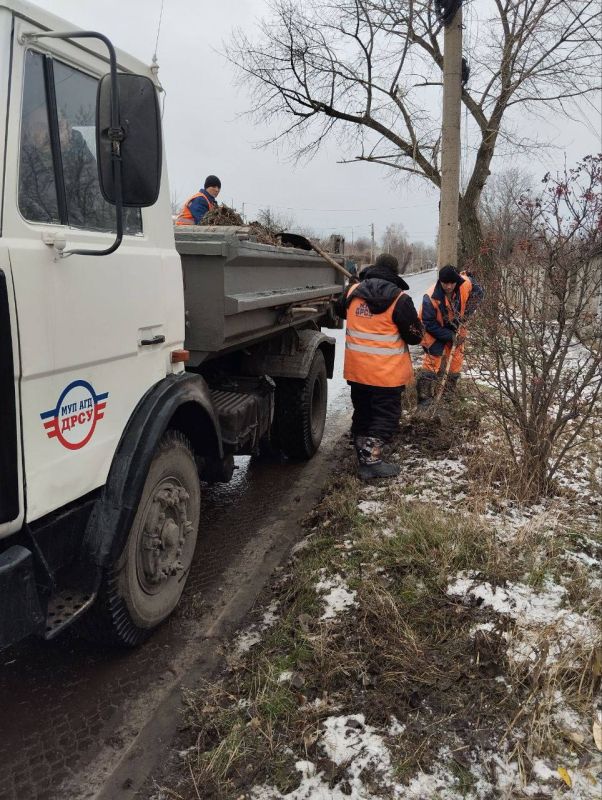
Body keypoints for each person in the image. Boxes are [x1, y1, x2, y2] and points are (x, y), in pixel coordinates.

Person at [336, 253, 424, 480]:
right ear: (394, 273)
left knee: (363, 413)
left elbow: (338, 310)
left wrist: (353, 288)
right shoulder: (400, 300)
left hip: (357, 371)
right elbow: (415, 336)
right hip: (386, 374)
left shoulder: (353, 292)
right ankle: (371, 462)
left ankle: (363, 458)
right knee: (386, 417)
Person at [416, 264, 484, 406]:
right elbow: (428, 323)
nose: (448, 286)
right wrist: (449, 336)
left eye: (451, 283)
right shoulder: (430, 297)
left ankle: (447, 395)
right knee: (432, 360)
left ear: (456, 281)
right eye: (445, 283)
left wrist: (467, 313)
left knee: (455, 360)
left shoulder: (465, 284)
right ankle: (425, 398)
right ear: (440, 281)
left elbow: (479, 292)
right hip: (434, 329)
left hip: (456, 327)